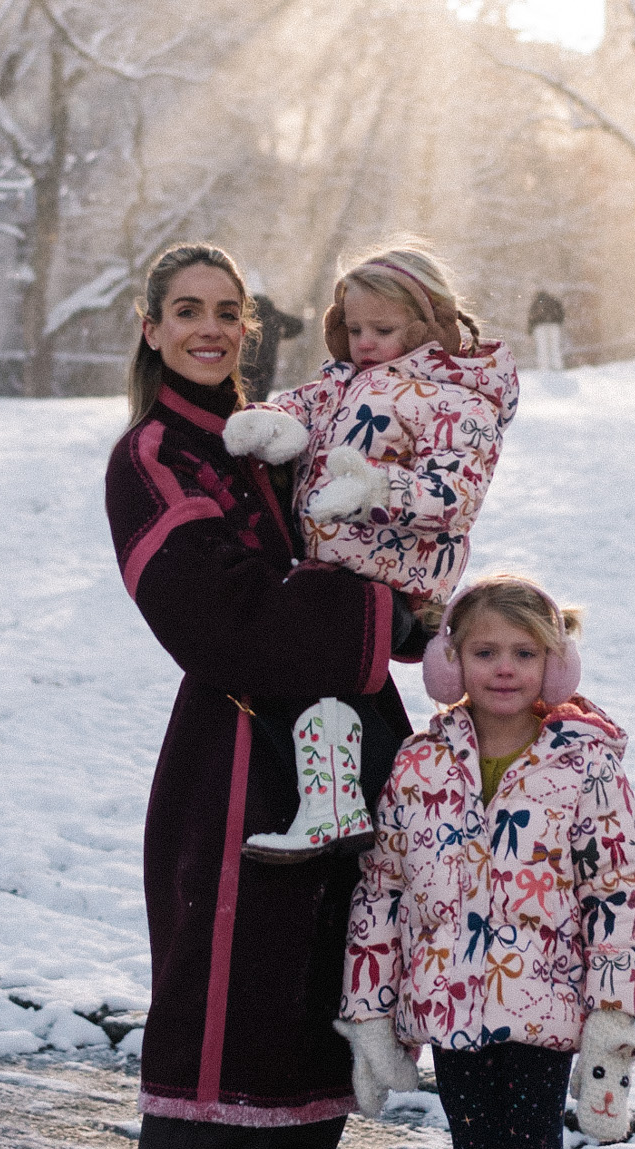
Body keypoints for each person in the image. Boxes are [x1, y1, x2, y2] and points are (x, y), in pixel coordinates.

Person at [102, 242, 413, 1149]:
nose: (211, 329)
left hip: (348, 757)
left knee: (316, 1009)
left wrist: (439, 598)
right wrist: (373, 600)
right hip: (236, 768)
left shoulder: (284, 432)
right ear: (149, 326)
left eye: (228, 312)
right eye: (187, 311)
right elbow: (220, 619)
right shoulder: (153, 456)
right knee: (223, 1016)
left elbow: (352, 551)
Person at [336, 573, 635, 1149]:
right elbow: (384, 887)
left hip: (545, 1003)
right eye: (484, 651)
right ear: (450, 661)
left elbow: (618, 888)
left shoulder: (584, 764)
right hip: (452, 1001)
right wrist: (372, 1010)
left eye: (523, 652)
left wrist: (612, 1017)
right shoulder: (421, 760)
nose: (503, 668)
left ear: (556, 664)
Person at [222, 240, 518, 862]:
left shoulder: (458, 401)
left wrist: (377, 489)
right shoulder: (339, 382)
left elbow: (457, 495)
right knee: (312, 675)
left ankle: (348, 811)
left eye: (382, 329)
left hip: (397, 582)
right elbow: (299, 406)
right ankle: (343, 809)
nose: (364, 342)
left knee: (305, 642)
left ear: (426, 326)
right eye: (354, 328)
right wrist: (275, 423)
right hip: (331, 574)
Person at [238, 292, 304, 399]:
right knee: (261, 397)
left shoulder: (247, 315)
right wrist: (282, 334)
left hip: (247, 362)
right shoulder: (274, 315)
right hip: (267, 363)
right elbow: (298, 325)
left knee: (244, 396)